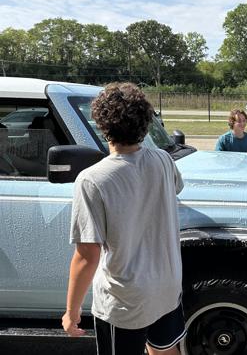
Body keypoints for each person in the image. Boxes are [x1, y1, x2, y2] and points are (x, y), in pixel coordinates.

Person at [62, 83, 185, 355]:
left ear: (101, 124)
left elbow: (87, 256)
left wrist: (71, 311)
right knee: (165, 350)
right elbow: (176, 187)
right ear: (145, 122)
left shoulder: (92, 180)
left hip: (124, 300)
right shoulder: (164, 160)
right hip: (167, 286)